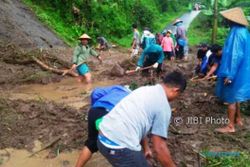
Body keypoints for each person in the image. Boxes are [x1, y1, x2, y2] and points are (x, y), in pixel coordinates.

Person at [97, 71, 187, 167]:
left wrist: (146, 148)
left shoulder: (144, 90)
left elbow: (137, 120)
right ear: (176, 90)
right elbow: (159, 147)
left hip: (102, 138)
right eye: (179, 95)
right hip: (118, 146)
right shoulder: (163, 107)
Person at [75, 85, 131, 167]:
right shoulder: (133, 98)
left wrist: (94, 106)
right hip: (110, 114)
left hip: (95, 111)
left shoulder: (117, 88)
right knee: (117, 144)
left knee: (91, 143)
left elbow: (95, 93)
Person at [215, 7, 250, 133]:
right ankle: (238, 119)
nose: (225, 20)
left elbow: (236, 55)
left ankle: (230, 126)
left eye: (227, 19)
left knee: (230, 97)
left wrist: (230, 74)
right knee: (235, 95)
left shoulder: (236, 33)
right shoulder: (244, 31)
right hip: (242, 70)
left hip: (234, 70)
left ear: (232, 20)